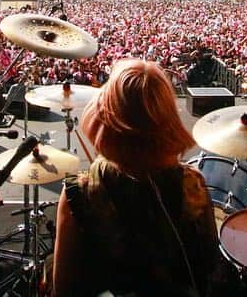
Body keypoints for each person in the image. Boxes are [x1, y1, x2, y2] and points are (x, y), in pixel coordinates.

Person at [52, 59, 219, 296]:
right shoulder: (193, 184)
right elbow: (209, 267)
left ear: (105, 119)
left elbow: (64, 290)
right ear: (168, 119)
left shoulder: (79, 193)